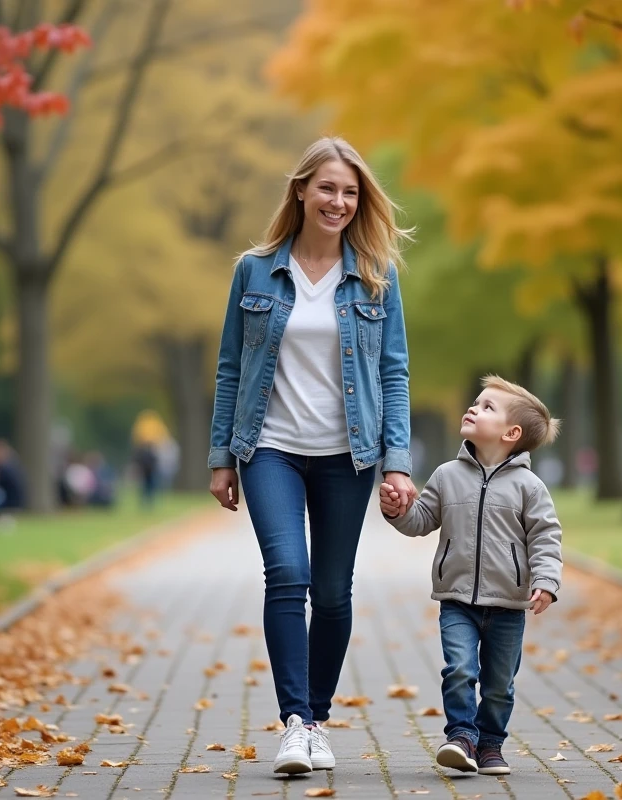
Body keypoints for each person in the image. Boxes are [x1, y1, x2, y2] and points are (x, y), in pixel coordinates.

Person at [207, 136, 415, 775]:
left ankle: (318, 719)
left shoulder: (376, 275)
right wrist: (221, 455)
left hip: (347, 455)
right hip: (269, 448)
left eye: (350, 192)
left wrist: (397, 460)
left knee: (330, 592)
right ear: (300, 189)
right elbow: (230, 368)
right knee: (287, 573)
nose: (339, 201)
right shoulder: (256, 268)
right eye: (327, 188)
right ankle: (295, 723)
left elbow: (394, 372)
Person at [380, 375, 563, 777]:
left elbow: (546, 537)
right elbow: (422, 519)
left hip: (508, 605)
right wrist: (397, 511)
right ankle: (461, 737)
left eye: (487, 407)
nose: (473, 408)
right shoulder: (447, 475)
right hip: (457, 599)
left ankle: (491, 744)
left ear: (511, 433)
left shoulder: (529, 487)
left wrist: (546, 582)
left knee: (499, 684)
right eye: (476, 402)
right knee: (459, 669)